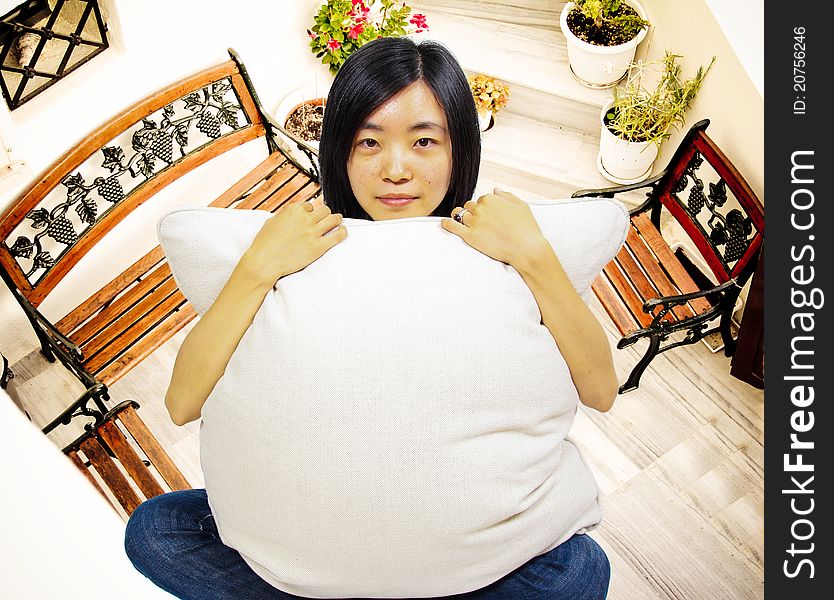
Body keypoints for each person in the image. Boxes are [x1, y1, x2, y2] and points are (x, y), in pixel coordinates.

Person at [125, 36, 618, 599]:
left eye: (425, 141)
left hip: (467, 554)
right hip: (324, 543)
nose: (396, 170)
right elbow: (182, 403)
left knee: (580, 572)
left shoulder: (500, 243)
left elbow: (601, 391)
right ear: (339, 151)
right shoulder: (298, 247)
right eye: (368, 142)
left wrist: (534, 255)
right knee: (155, 530)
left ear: (461, 150)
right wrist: (257, 268)